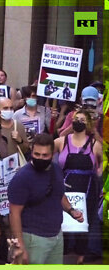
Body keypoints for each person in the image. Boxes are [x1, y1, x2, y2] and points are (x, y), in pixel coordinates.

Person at [8, 133, 84, 264]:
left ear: (52, 154)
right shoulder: (22, 178)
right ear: (31, 151)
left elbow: (59, 194)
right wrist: (20, 247)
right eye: (37, 154)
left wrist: (71, 210)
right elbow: (14, 213)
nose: (40, 158)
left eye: (45, 155)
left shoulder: (55, 169)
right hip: (34, 239)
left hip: (56, 235)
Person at [54, 109, 103, 264]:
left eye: (82, 120)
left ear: (88, 123)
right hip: (65, 186)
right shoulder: (60, 141)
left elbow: (100, 165)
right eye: (76, 119)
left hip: (88, 188)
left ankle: (85, 252)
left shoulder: (95, 145)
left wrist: (99, 181)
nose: (78, 122)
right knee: (65, 216)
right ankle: (65, 248)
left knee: (87, 218)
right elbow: (47, 154)